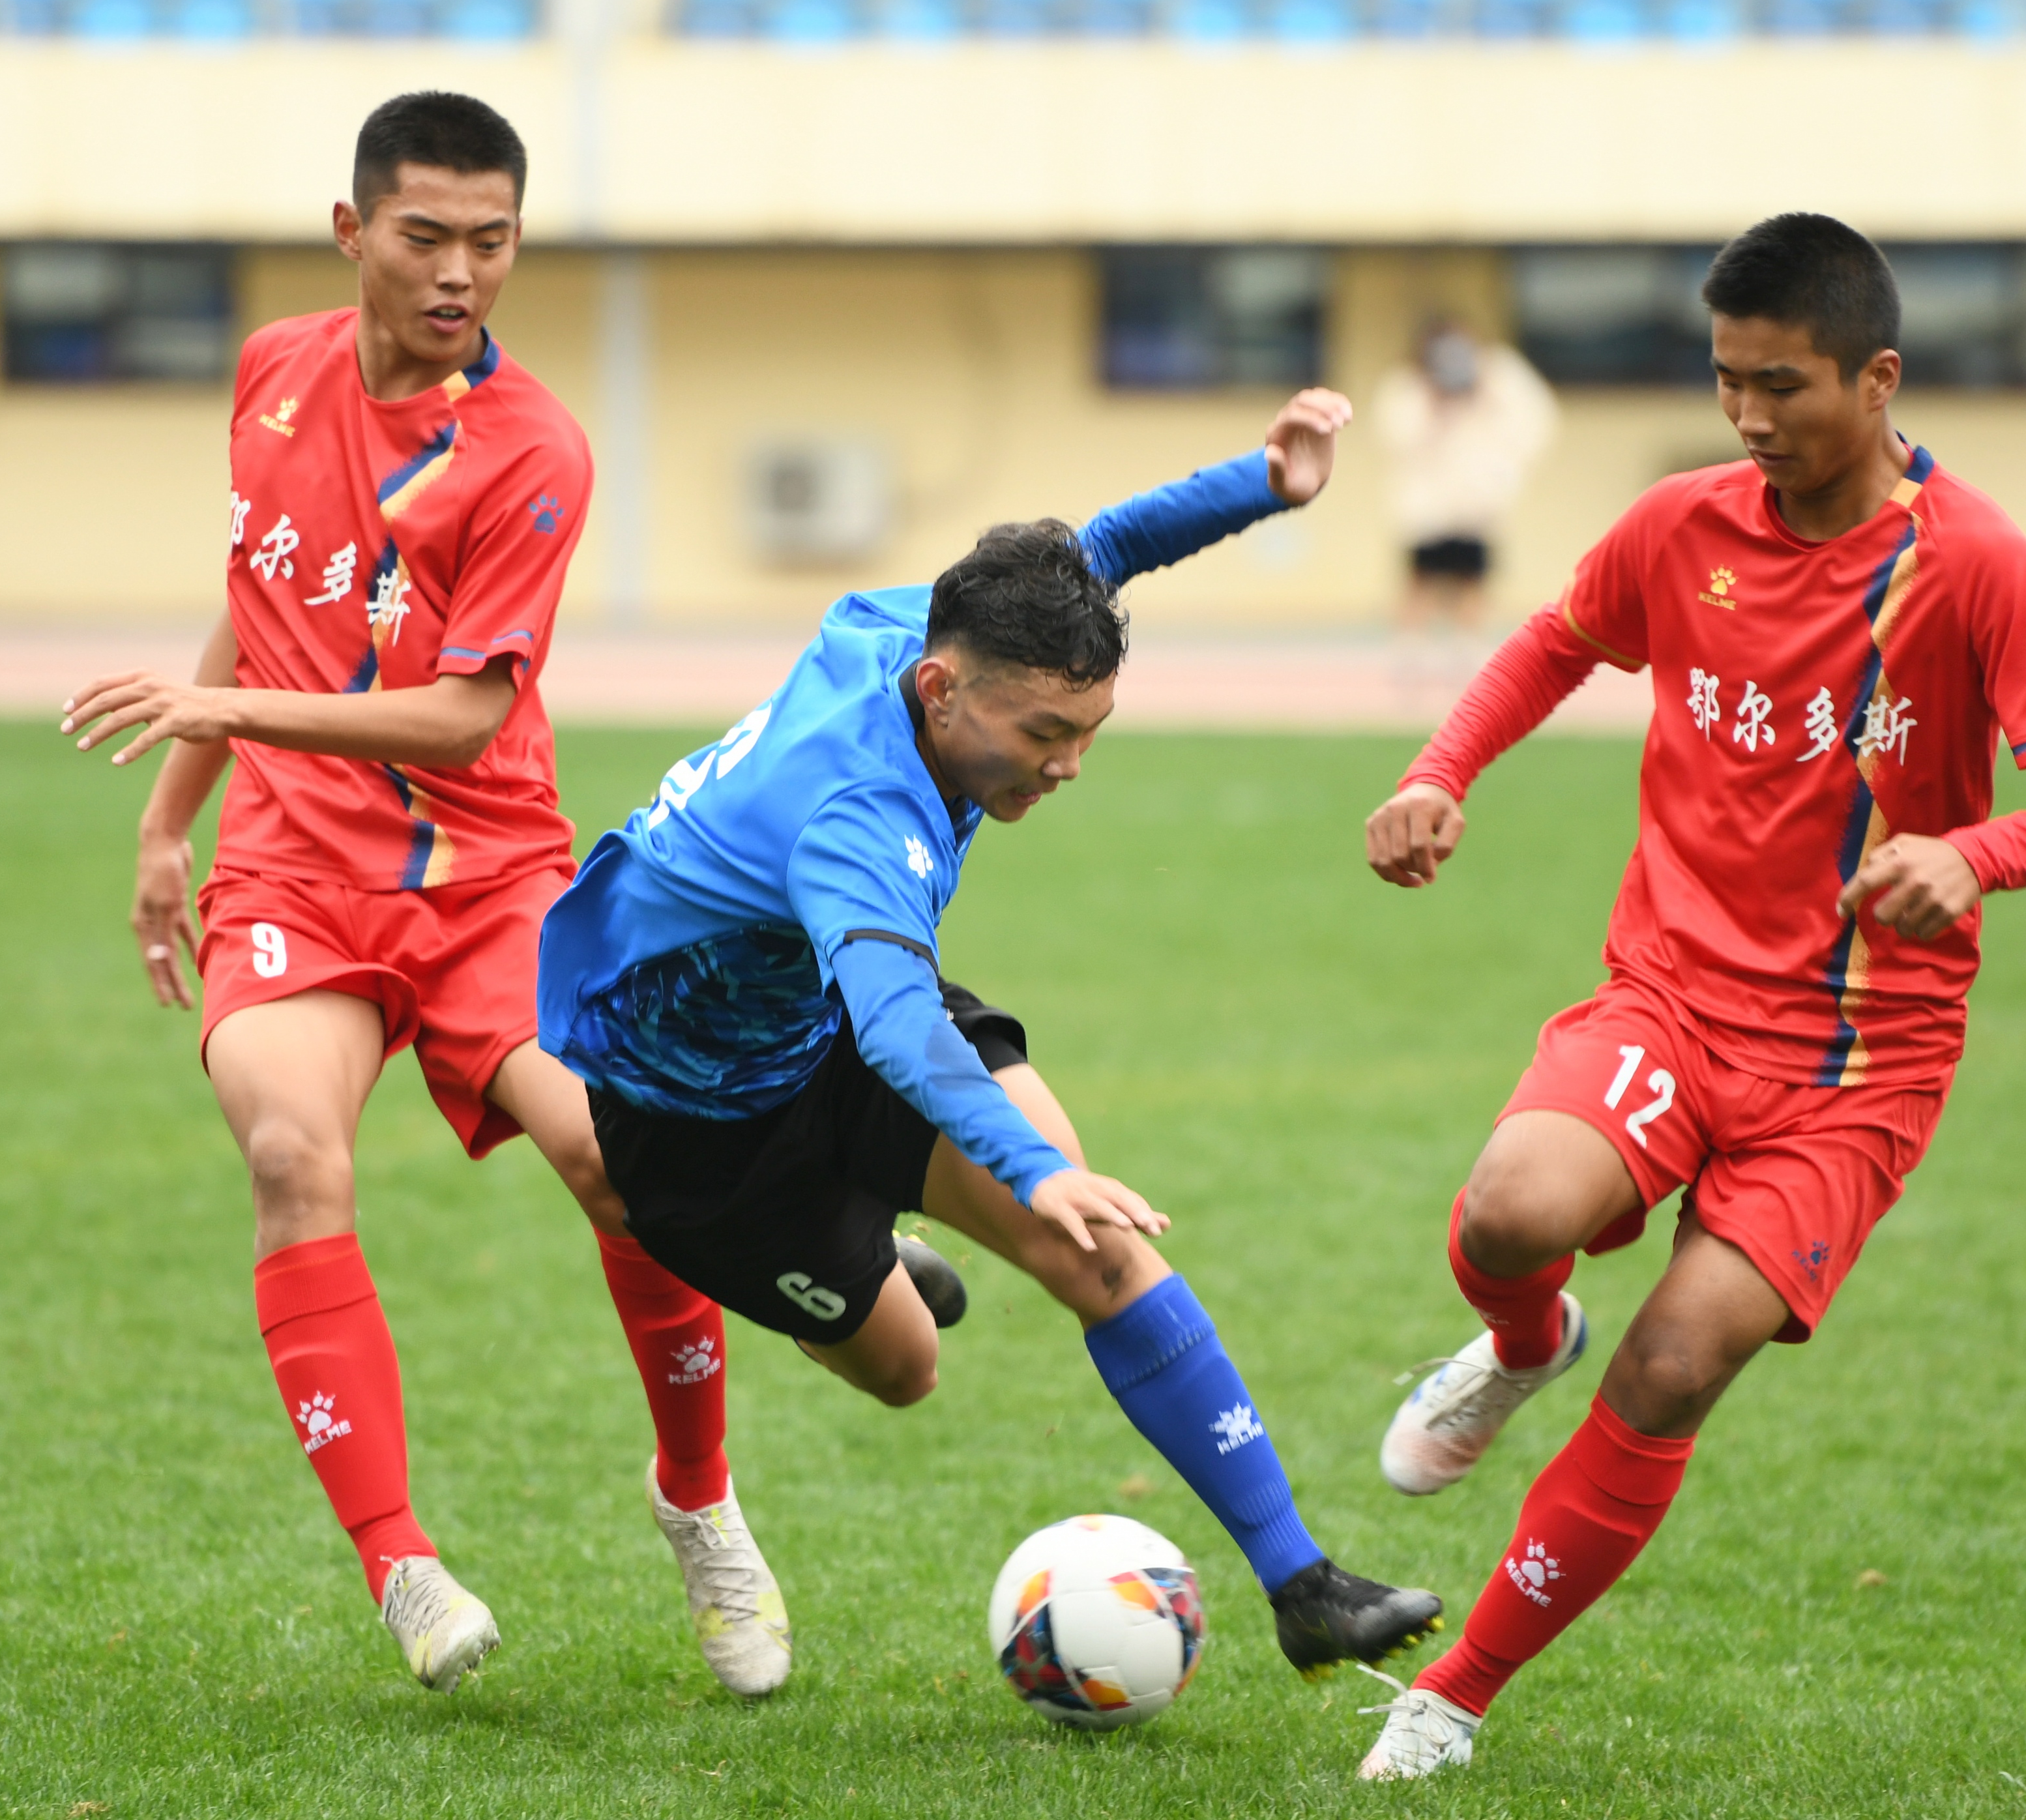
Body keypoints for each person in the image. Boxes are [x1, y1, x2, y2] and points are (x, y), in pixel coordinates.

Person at [1347, 214, 2026, 1780]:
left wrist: (1973, 852)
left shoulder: (1970, 564)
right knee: (1507, 1212)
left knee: (1671, 1361)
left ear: (1876, 378)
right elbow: (1553, 640)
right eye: (1724, 382)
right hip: (1670, 991)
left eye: (1777, 384)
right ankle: (1520, 1343)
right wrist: (1437, 769)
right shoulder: (1679, 525)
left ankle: (1450, 1686)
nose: (1745, 417)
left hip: (1857, 1058)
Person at [536, 391, 1446, 1681]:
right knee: (906, 1370)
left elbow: (1100, 549)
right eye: (1043, 736)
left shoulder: (934, 627)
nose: (1068, 764)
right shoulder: (854, 818)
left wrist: (1265, 481)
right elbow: (903, 1033)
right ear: (940, 692)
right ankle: (878, 1256)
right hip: (701, 1131)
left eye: (1088, 730)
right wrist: (1031, 1165)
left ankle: (1303, 1584)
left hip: (824, 1018)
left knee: (1094, 1244)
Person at [62, 91, 790, 1702]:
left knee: (616, 1158)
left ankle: (697, 1500)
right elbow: (255, 608)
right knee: (286, 1146)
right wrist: (168, 826)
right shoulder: (270, 372)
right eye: (427, 235)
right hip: (294, 874)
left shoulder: (527, 447)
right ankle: (398, 1558)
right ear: (352, 234)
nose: (462, 269)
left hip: (488, 877)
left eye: (493, 238)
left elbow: (463, 716)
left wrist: (226, 727)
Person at [1377, 317, 1557, 635]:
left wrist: (1484, 392)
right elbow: (1397, 437)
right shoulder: (1409, 387)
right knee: (1420, 586)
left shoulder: (1498, 376)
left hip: (1477, 508)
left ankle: (1470, 655)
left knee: (1473, 586)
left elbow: (1533, 423)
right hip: (1427, 513)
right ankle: (1410, 657)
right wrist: (1434, 404)